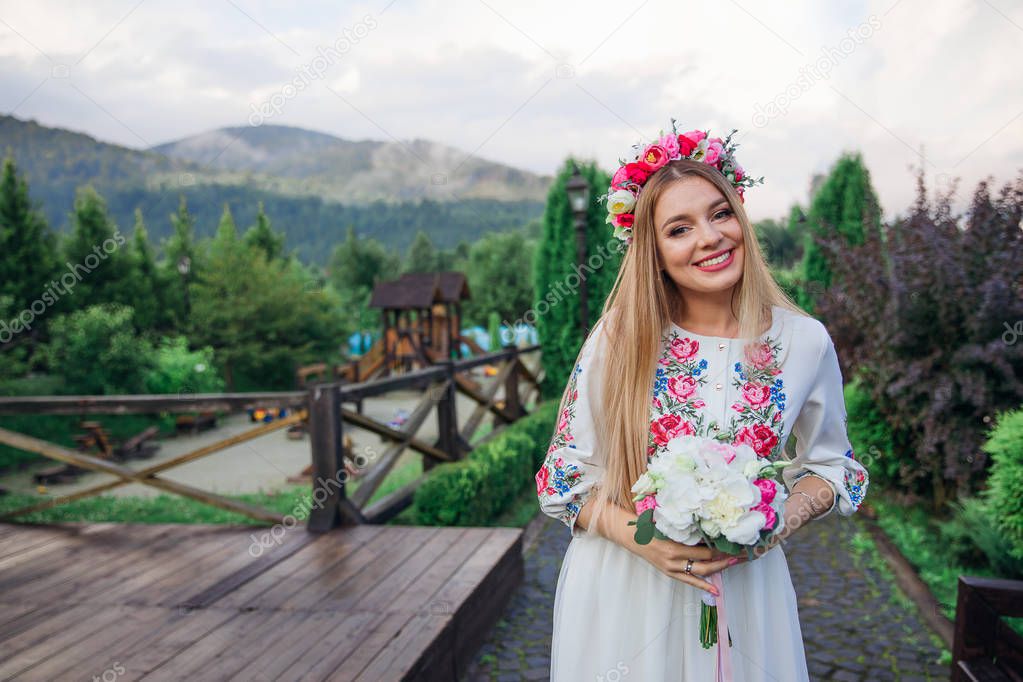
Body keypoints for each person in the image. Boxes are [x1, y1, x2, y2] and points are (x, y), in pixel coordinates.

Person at [535, 123, 870, 681]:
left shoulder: (804, 341)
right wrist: (643, 543)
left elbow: (833, 467)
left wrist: (778, 519)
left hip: (746, 593)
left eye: (719, 213)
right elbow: (560, 481)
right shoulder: (621, 337)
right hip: (627, 588)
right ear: (654, 251)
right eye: (679, 228)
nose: (710, 237)